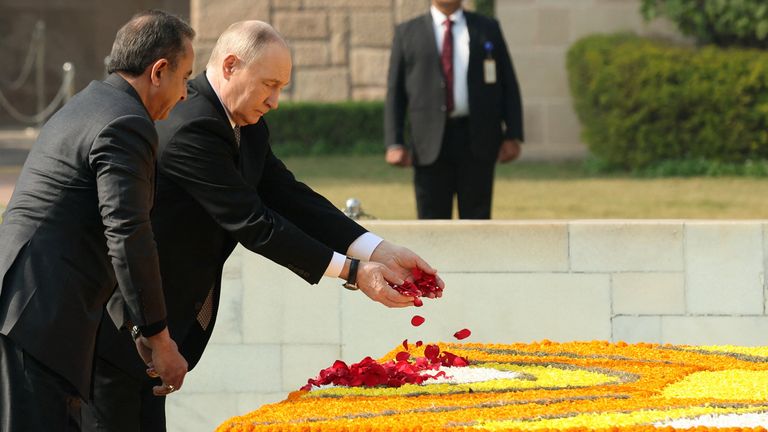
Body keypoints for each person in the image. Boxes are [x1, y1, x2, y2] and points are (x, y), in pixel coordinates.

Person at [83, 20, 443, 431]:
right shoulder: (191, 124)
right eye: (268, 85)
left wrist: (376, 249)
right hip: (121, 327)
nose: (274, 101)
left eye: (281, 88)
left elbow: (288, 195)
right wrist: (354, 272)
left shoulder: (244, 123)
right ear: (231, 66)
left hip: (156, 330)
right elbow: (254, 223)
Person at [0, 10, 195, 432]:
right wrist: (159, 337)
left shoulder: (92, 102)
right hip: (37, 319)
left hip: (27, 312)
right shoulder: (126, 122)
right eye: (186, 78)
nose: (185, 95)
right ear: (159, 71)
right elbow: (127, 233)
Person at [385, 0, 525, 219]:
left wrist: (513, 134)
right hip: (428, 143)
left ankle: (477, 255)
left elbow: (508, 83)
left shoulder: (487, 28)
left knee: (477, 220)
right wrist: (395, 142)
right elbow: (395, 92)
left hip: (477, 139)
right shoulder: (407, 32)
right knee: (432, 221)